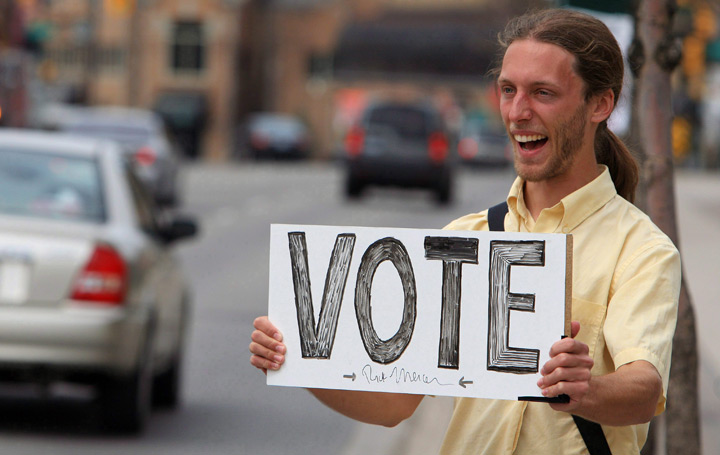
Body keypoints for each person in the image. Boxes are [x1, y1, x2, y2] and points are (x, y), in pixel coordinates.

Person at [250, 8, 681, 454]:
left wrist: (585, 389)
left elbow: (645, 388)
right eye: (508, 90)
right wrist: (297, 361)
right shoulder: (464, 238)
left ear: (600, 104)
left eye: (543, 93)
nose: (517, 112)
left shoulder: (641, 249)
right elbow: (394, 403)